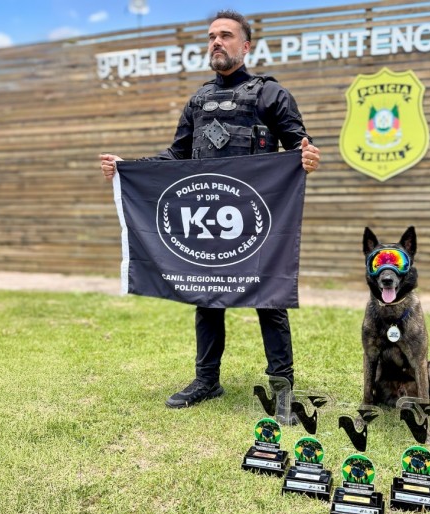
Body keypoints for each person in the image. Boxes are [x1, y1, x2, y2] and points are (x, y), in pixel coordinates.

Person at [99, 10, 321, 415]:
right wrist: (127, 166)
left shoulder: (271, 94)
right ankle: (207, 381)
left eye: (225, 35)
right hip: (208, 219)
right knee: (207, 298)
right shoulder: (198, 100)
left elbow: (300, 146)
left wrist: (307, 156)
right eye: (211, 37)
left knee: (269, 298)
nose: (216, 42)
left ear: (245, 45)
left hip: (257, 219)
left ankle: (282, 388)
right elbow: (177, 156)